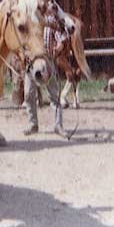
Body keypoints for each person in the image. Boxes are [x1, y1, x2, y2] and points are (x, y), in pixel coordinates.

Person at [22, 8, 67, 137]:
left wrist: (59, 47)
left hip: (48, 60)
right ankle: (33, 124)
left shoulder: (50, 22)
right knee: (28, 94)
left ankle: (58, 125)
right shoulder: (30, 24)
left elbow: (61, 38)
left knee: (54, 94)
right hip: (32, 61)